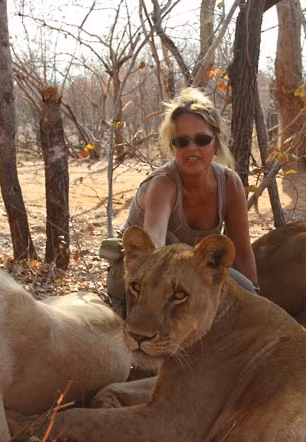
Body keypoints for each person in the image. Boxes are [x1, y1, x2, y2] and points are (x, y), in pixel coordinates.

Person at [104, 87, 259, 317]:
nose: (192, 148)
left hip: (184, 276)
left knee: (243, 292)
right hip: (137, 274)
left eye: (202, 139)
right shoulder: (163, 185)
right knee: (173, 246)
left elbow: (243, 255)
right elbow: (154, 252)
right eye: (182, 141)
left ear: (216, 143)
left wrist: (254, 304)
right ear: (172, 146)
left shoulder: (230, 183)